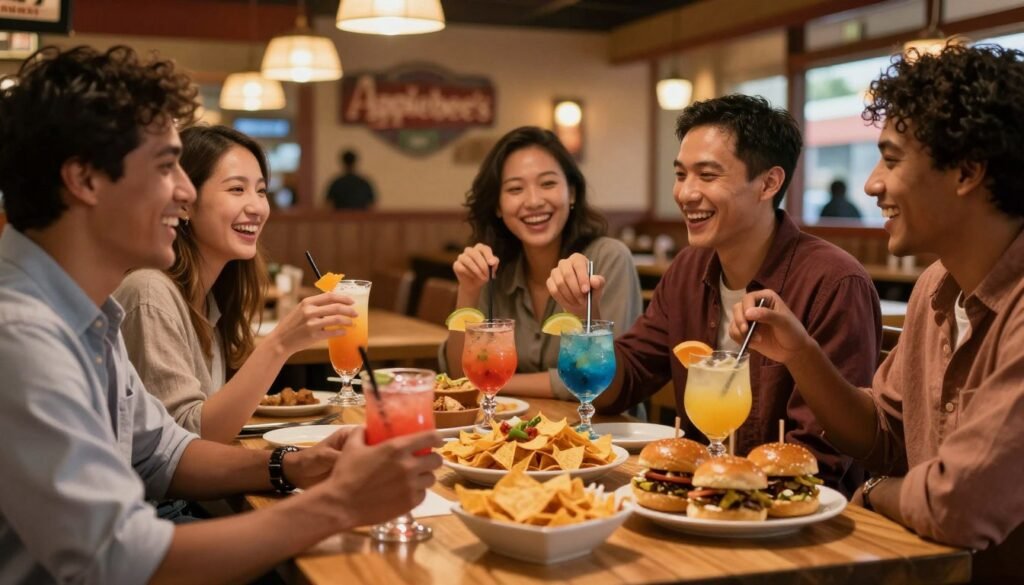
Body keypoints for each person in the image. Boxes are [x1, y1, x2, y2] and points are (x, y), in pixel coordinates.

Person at [0, 45, 440, 584]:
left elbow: (164, 452)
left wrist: (295, 464)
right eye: (166, 167)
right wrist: (341, 504)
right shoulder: (20, 337)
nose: (184, 192)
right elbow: (117, 560)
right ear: (86, 179)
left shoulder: (89, 314)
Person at [728, 43, 1024, 582]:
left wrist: (871, 492)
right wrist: (800, 352)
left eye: (890, 160)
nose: (871, 184)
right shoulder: (937, 285)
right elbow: (884, 435)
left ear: (967, 172)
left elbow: (955, 508)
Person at [549, 95, 880, 494]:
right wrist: (590, 322)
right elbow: (624, 383)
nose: (685, 193)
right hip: (697, 498)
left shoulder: (833, 282)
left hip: (792, 519)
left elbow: (823, 456)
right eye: (680, 174)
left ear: (769, 183)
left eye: (707, 176)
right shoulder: (689, 270)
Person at [115, 125, 357, 443]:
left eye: (260, 190)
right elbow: (186, 447)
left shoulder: (212, 300)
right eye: (236, 189)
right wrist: (280, 343)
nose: (257, 207)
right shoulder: (148, 292)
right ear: (185, 202)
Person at [440, 126, 643, 400]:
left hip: (607, 434)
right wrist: (468, 290)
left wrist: (496, 383)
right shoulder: (493, 269)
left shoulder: (607, 259)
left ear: (571, 193)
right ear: (498, 206)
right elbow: (459, 376)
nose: (534, 201)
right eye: (515, 189)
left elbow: (603, 381)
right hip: (522, 432)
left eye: (548, 184)